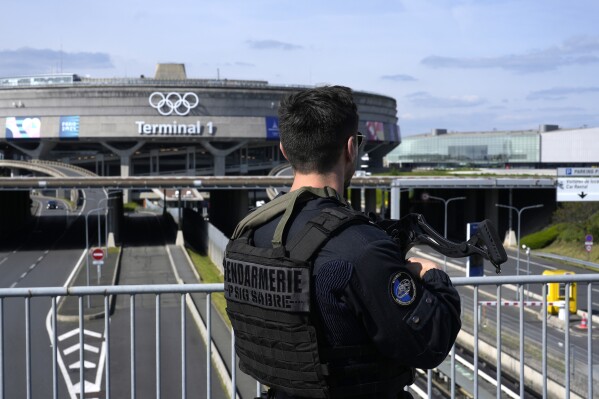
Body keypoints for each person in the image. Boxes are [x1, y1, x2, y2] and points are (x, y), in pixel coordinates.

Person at [224, 86, 461, 399]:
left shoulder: (249, 234)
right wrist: (431, 275)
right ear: (351, 148)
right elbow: (431, 343)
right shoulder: (362, 247)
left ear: (284, 149)